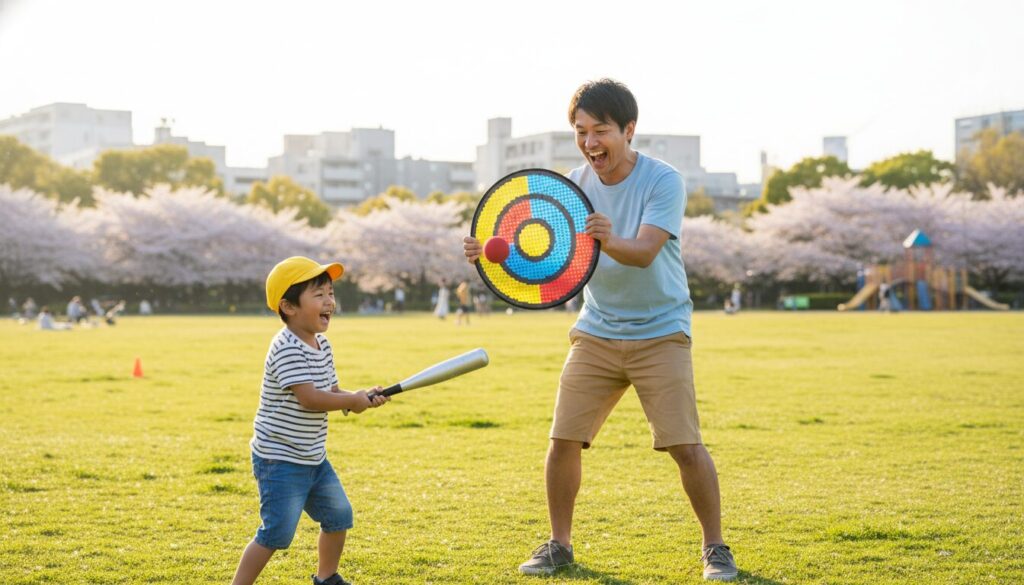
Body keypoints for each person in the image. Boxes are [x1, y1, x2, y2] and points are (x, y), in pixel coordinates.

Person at [464, 79, 737, 581]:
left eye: (601, 130)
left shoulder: (662, 181)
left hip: (661, 332)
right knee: (563, 438)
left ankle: (715, 548)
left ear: (628, 130)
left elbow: (645, 252)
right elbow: (548, 259)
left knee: (684, 445)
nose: (590, 142)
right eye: (580, 131)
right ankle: (559, 545)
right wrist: (493, 253)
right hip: (596, 331)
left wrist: (608, 239)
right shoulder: (570, 189)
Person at [231, 256, 391, 585]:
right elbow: (310, 398)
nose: (329, 301)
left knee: (338, 516)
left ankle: (327, 577)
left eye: (330, 293)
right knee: (276, 533)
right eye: (318, 295)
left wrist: (359, 396)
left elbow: (330, 390)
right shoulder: (285, 347)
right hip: (280, 459)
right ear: (288, 307)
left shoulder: (322, 345)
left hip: (312, 456)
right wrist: (351, 401)